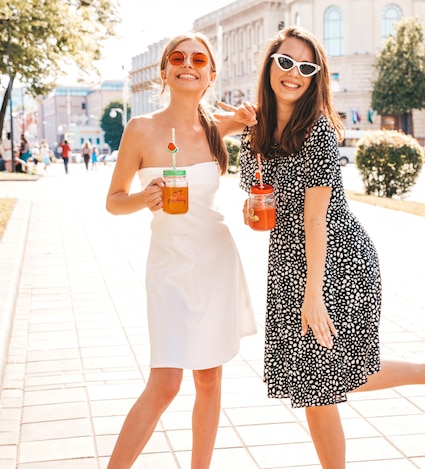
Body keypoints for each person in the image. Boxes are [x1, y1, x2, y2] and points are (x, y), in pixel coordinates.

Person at [238, 26, 425, 469]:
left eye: (306, 68)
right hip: (289, 262)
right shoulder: (255, 133)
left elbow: (315, 218)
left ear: (316, 77)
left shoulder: (319, 130)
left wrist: (313, 295)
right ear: (270, 63)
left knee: (330, 374)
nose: (294, 74)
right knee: (314, 380)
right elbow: (256, 199)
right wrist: (253, 208)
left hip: (335, 259)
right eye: (285, 62)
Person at [105, 31, 257, 469]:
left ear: (210, 75)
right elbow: (113, 200)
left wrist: (251, 118)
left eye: (198, 58)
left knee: (209, 380)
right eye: (178, 57)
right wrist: (141, 199)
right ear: (165, 71)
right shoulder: (140, 129)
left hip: (215, 264)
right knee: (166, 383)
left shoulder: (217, 128)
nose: (187, 63)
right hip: (170, 269)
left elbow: (276, 119)